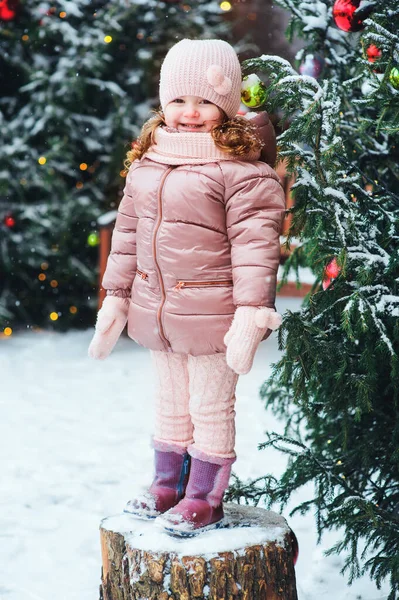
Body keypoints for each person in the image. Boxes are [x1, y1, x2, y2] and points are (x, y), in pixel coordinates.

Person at [88, 38, 285, 537]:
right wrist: (117, 296)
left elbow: (256, 246)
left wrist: (251, 311)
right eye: (179, 100)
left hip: (216, 316)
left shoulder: (243, 171)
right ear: (163, 102)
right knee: (170, 403)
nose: (191, 113)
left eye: (205, 102)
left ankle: (203, 497)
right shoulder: (149, 161)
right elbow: (128, 235)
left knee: (210, 406)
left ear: (228, 103)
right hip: (159, 311)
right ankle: (165, 486)